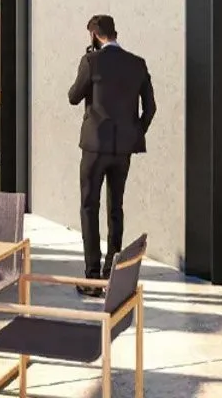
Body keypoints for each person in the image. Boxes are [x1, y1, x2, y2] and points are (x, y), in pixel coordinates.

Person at [67, 15, 155, 296]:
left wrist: (87, 61)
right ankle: (112, 271)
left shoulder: (92, 62)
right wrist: (134, 132)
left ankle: (93, 277)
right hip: (123, 149)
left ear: (94, 35)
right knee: (116, 208)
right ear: (115, 32)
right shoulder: (137, 63)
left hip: (95, 147)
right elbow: (151, 108)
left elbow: (73, 96)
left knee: (89, 208)